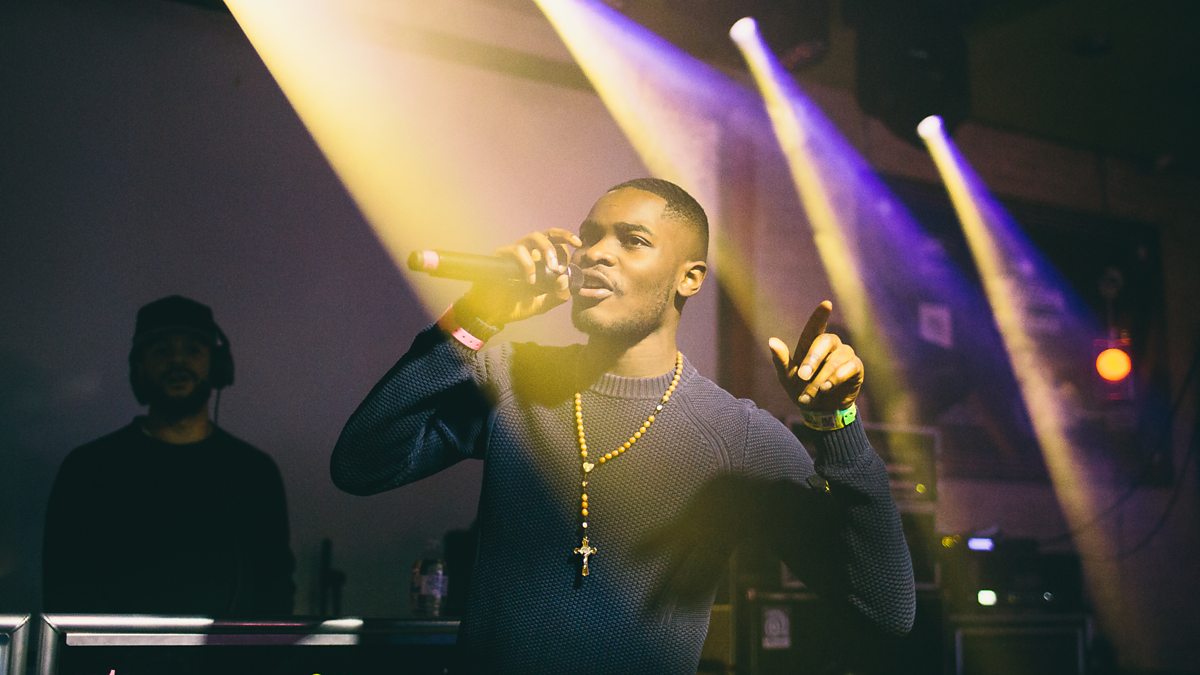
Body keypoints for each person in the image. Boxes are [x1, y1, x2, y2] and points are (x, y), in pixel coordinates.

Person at [331, 178, 914, 672]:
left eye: (632, 240)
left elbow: (885, 609)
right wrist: (475, 318)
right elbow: (360, 465)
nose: (595, 254)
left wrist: (837, 425)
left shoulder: (736, 435)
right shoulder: (510, 376)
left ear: (689, 278)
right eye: (589, 237)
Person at [43, 295, 295, 616]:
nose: (178, 362)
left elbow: (274, 592)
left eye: (193, 350)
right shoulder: (88, 470)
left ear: (217, 366)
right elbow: (65, 593)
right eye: (162, 351)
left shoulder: (254, 473)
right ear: (139, 367)